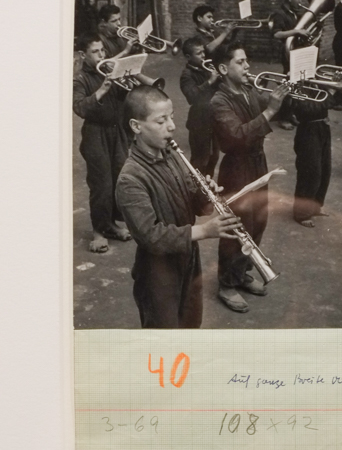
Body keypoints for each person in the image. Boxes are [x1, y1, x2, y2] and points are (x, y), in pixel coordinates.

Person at [115, 86, 243, 328]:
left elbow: (196, 207)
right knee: (164, 334)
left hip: (188, 256)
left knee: (190, 322)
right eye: (161, 121)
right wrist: (205, 231)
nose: (172, 126)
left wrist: (206, 195)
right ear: (136, 126)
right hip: (157, 271)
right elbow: (150, 236)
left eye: (171, 117)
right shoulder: (130, 179)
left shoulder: (172, 155)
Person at [210, 42, 289, 313]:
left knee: (258, 222)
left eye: (247, 61)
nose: (248, 66)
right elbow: (236, 136)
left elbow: (268, 109)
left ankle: (241, 274)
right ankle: (226, 284)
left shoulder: (248, 89)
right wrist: (269, 112)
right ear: (223, 68)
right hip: (236, 167)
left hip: (257, 163)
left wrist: (287, 95)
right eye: (240, 62)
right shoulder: (218, 101)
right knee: (236, 229)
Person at [73, 32, 132, 253]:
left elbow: (120, 99)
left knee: (118, 178)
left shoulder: (108, 70)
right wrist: (103, 89)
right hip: (95, 134)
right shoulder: (80, 79)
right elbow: (79, 107)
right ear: (83, 54)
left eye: (102, 50)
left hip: (116, 132)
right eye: (95, 52)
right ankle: (98, 232)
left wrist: (125, 82)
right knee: (101, 185)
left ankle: (111, 224)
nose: (101, 55)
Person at [291, 86, 339, 227]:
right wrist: (331, 91)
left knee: (325, 170)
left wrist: (337, 89)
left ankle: (315, 206)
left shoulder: (317, 84)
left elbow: (334, 102)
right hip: (308, 131)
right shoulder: (298, 88)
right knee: (311, 172)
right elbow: (309, 109)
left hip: (323, 128)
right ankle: (301, 213)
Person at [179, 37, 220, 177]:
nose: (203, 56)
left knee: (214, 157)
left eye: (203, 52)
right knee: (200, 160)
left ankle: (208, 190)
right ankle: (196, 193)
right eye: (199, 53)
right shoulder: (186, 75)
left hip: (213, 118)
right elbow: (192, 97)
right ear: (188, 57)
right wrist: (210, 81)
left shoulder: (206, 68)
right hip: (199, 122)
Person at [271, 0, 310, 129]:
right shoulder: (279, 14)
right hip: (287, 53)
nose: (300, 1)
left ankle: (291, 113)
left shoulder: (294, 13)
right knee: (288, 84)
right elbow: (276, 34)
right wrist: (296, 31)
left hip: (296, 52)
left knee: (297, 84)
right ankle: (283, 117)